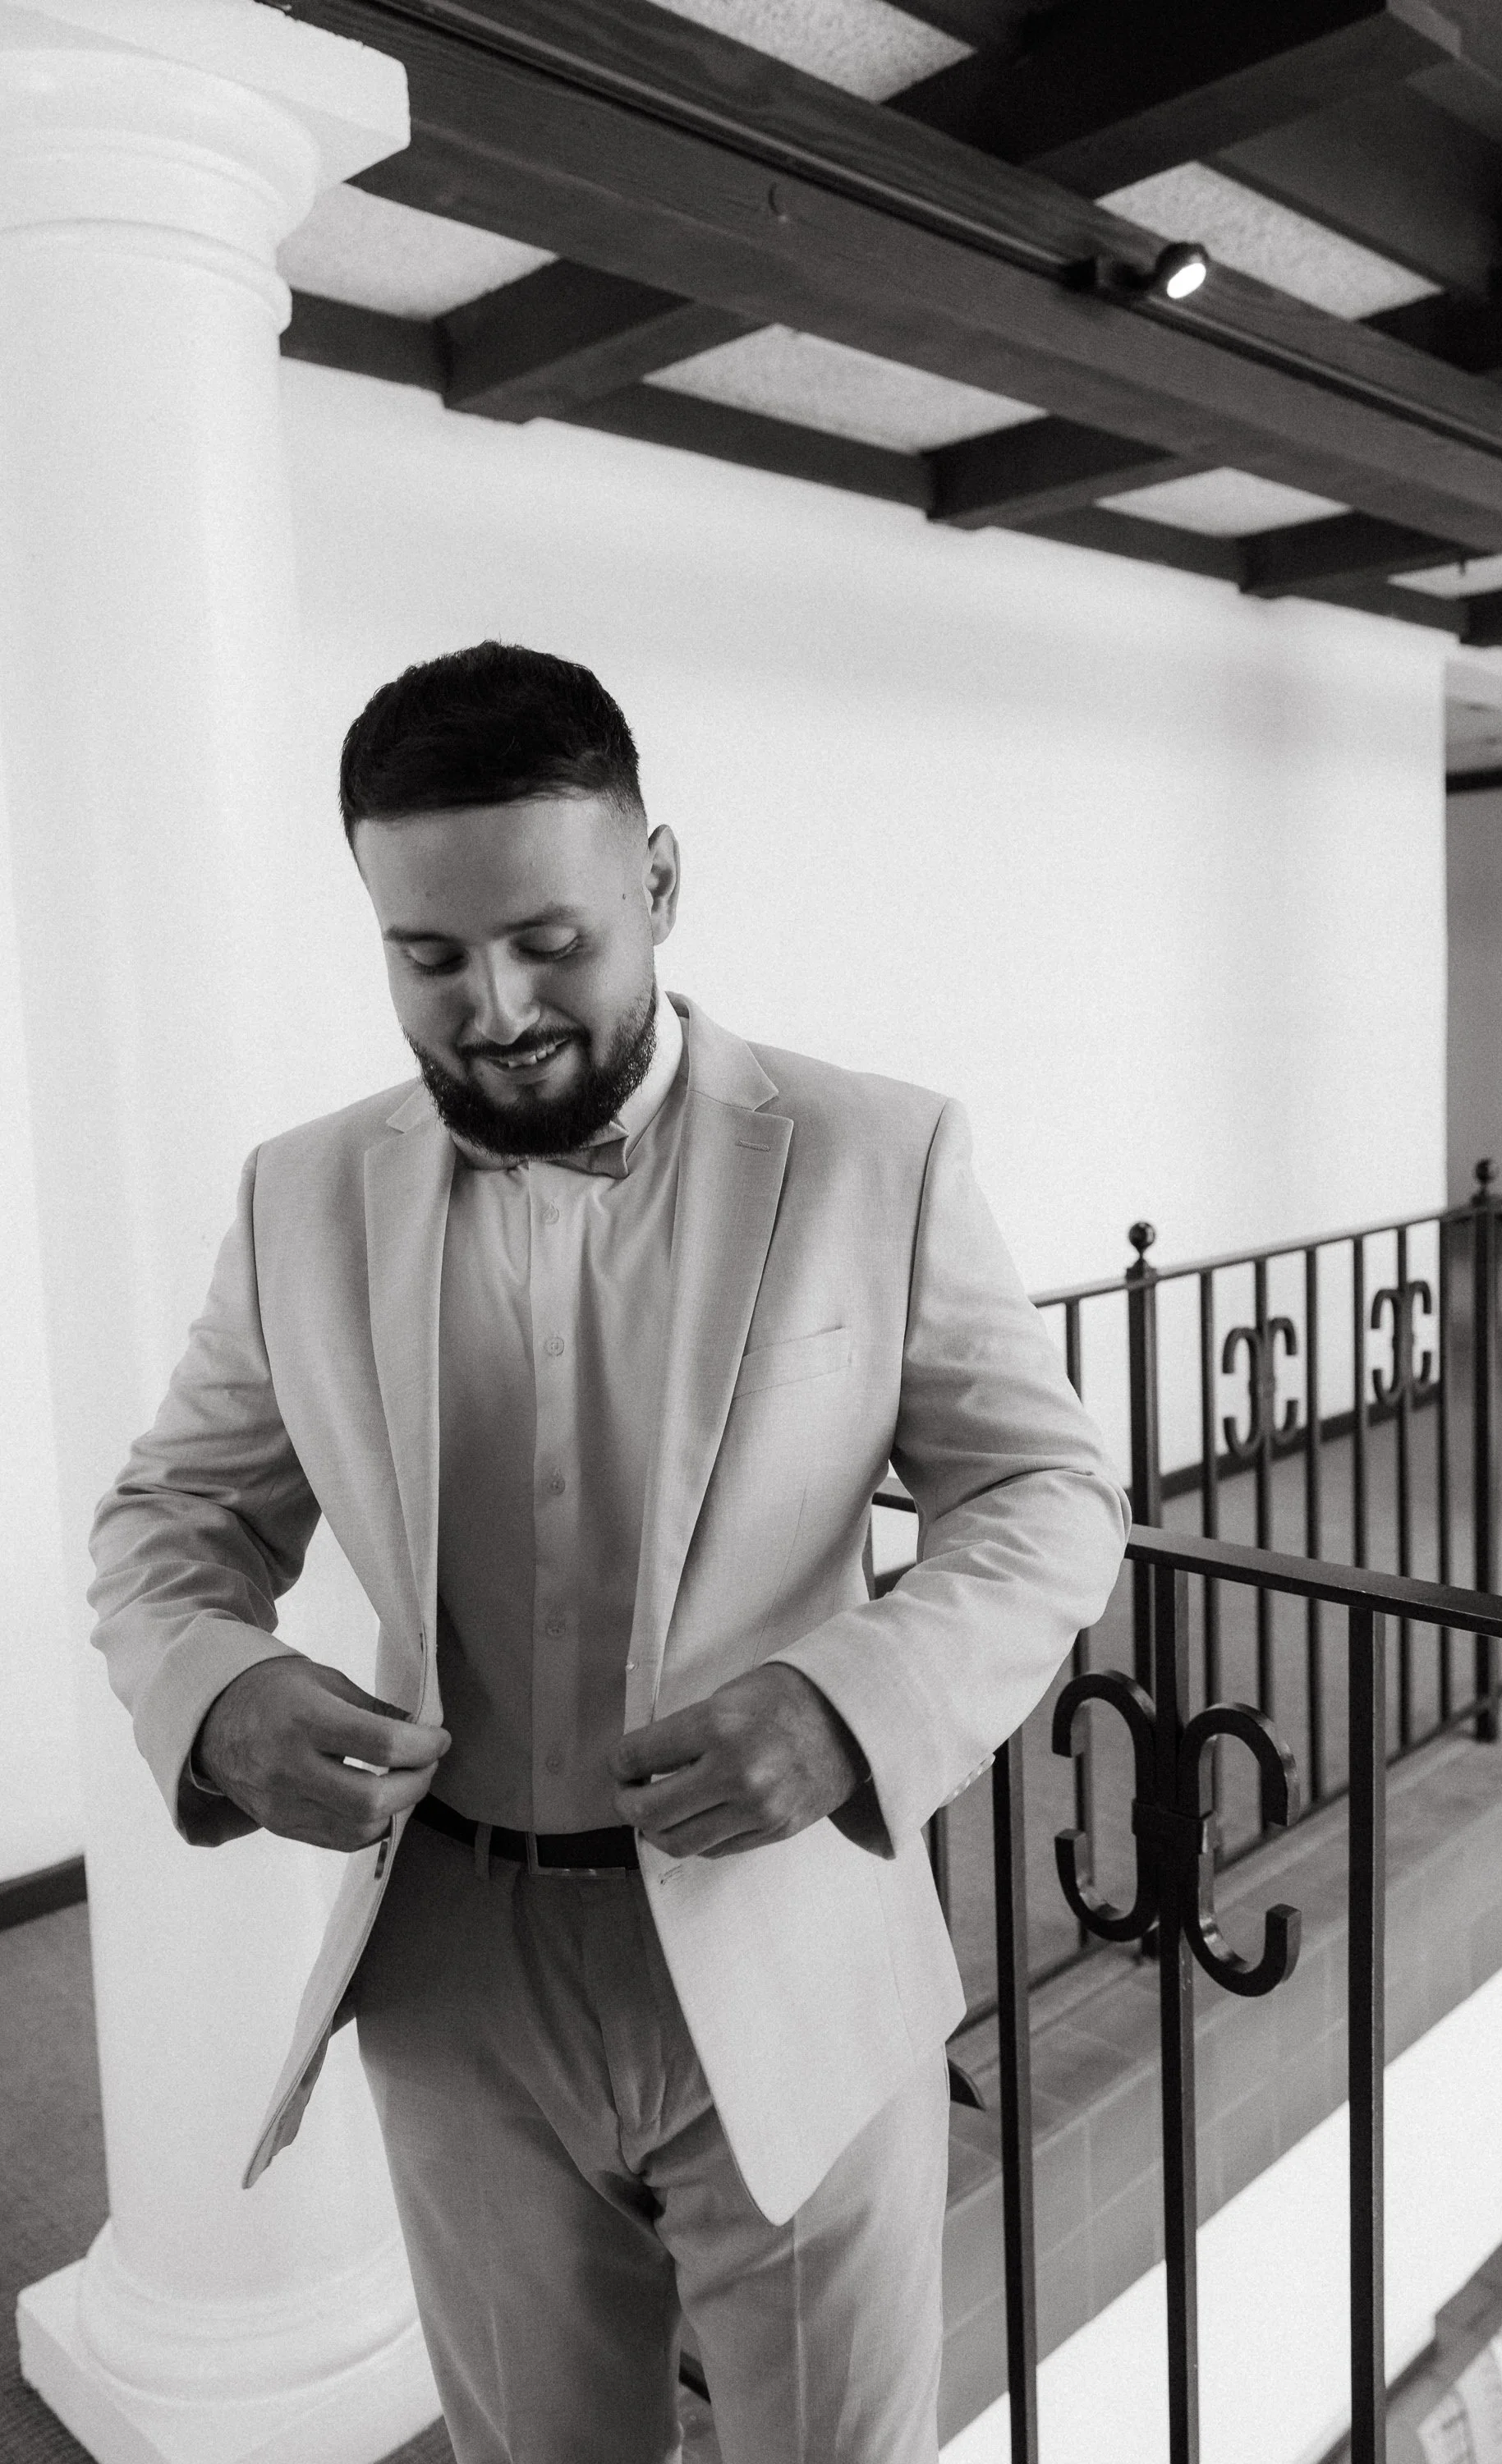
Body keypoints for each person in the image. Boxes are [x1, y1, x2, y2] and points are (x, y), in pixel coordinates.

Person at [88, 641, 1129, 2464]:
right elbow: (170, 1522)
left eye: (547, 939)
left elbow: (1041, 1494)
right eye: (428, 956)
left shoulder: (880, 1154)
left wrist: (853, 1692)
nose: (491, 1006)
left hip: (790, 1950)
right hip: (454, 1984)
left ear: (655, 882)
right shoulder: (298, 1194)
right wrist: (216, 1687)